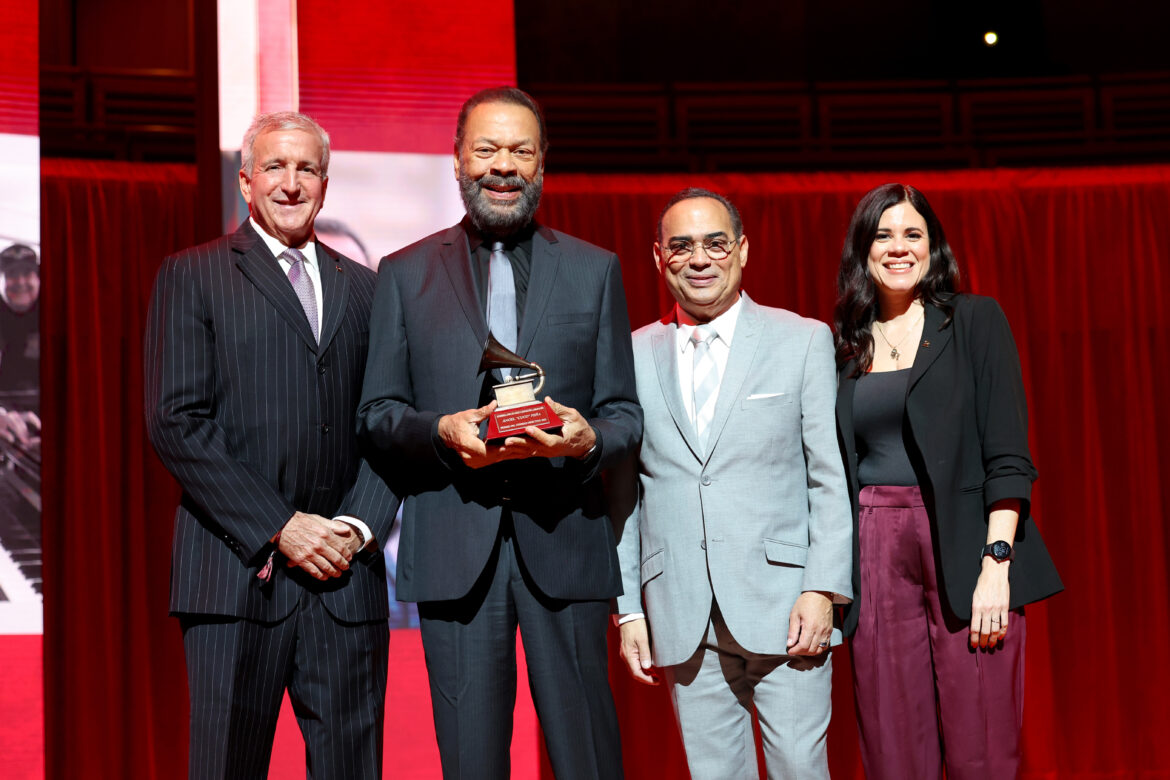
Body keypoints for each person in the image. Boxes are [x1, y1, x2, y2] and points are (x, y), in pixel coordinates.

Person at [357, 86, 641, 780]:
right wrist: (442, 430)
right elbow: (378, 414)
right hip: (456, 552)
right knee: (471, 764)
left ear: (544, 163)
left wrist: (585, 441)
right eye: (486, 149)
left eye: (520, 150)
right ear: (456, 161)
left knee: (588, 761)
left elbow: (625, 417)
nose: (503, 166)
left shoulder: (594, 270)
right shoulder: (403, 273)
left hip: (565, 545)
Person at [145, 111, 398, 780]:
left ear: (325, 181)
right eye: (276, 167)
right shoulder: (193, 275)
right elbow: (175, 420)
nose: (291, 182)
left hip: (346, 581)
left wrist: (355, 525)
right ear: (247, 181)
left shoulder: (369, 289)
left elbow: (387, 424)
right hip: (234, 579)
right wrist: (280, 527)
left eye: (306, 168)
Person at [613, 188, 852, 779]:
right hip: (681, 614)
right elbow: (622, 496)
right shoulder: (631, 354)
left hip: (786, 610)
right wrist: (628, 611)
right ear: (658, 258)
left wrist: (823, 588)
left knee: (800, 769)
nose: (700, 259)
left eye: (715, 243)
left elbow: (828, 476)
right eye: (682, 246)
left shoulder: (802, 340)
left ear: (742, 250)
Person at [833, 183, 1063, 779]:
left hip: (967, 550)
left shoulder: (974, 321)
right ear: (864, 249)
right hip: (874, 549)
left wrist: (997, 563)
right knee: (892, 746)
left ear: (933, 246)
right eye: (883, 235)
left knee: (979, 746)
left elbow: (1009, 456)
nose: (899, 247)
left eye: (913, 234)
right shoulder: (844, 345)